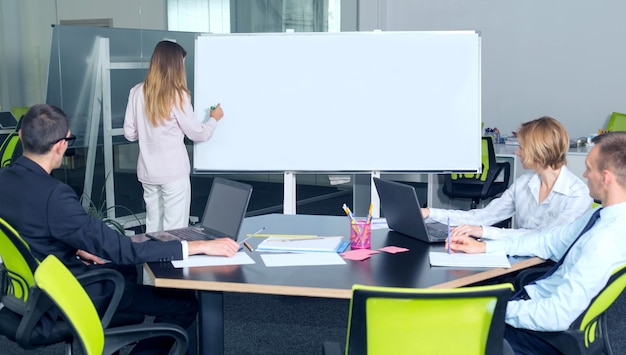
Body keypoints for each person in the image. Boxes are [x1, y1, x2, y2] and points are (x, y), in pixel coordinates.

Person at [0, 104, 240, 354]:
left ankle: (113, 331)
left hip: (29, 290)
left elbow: (28, 230)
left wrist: (77, 247)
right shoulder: (55, 196)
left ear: (20, 137)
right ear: (61, 145)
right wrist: (197, 245)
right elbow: (122, 249)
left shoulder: (4, 178)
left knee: (123, 272)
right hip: (69, 294)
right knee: (184, 305)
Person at [447, 131, 626, 354]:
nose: (584, 173)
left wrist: (493, 308)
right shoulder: (603, 216)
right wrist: (485, 247)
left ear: (606, 177)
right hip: (536, 302)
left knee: (446, 327)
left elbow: (557, 315)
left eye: (589, 168)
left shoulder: (605, 241)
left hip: (542, 334)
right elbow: (547, 241)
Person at [422, 116, 592, 240]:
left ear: (538, 152)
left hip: (550, 266)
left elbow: (545, 237)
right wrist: (429, 213)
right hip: (519, 256)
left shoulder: (578, 194)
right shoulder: (524, 183)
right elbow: (483, 217)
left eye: (521, 147)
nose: (517, 152)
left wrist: (483, 232)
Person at [124, 40, 223, 233]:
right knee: (175, 231)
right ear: (174, 66)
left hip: (148, 172)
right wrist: (213, 119)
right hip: (173, 172)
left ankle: (150, 262)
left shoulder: (136, 92)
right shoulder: (178, 95)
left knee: (154, 227)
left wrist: (148, 131)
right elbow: (197, 134)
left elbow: (129, 133)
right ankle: (173, 263)